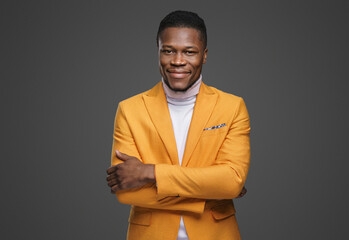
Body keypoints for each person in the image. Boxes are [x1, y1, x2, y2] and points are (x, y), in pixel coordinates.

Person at [106, 10, 251, 240]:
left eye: (189, 52)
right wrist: (210, 194)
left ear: (204, 55)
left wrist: (150, 173)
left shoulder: (232, 107)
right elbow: (126, 191)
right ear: (158, 52)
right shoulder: (129, 109)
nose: (178, 61)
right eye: (168, 51)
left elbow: (231, 181)